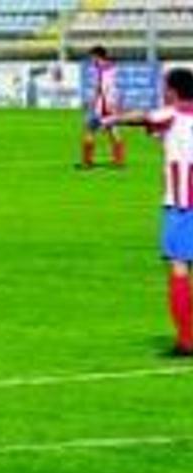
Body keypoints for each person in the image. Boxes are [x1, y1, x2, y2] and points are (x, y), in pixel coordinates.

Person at [103, 68, 193, 355]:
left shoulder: (172, 114)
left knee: (179, 268)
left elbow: (144, 117)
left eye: (165, 87)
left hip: (182, 205)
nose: (162, 91)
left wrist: (112, 118)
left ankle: (187, 341)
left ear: (174, 91)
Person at [81, 45, 125, 169]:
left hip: (103, 105)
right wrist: (115, 104)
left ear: (96, 55)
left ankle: (87, 162)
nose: (91, 59)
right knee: (113, 131)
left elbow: (100, 88)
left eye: (92, 56)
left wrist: (92, 103)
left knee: (90, 130)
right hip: (111, 103)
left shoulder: (100, 68)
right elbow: (113, 87)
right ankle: (119, 161)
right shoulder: (112, 66)